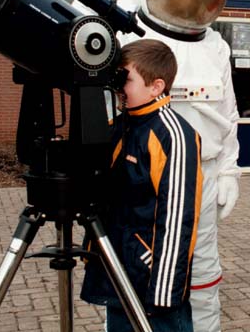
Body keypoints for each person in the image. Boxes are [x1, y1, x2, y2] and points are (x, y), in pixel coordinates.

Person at [78, 0, 240, 332]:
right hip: (142, 175)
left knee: (200, 272)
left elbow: (228, 114)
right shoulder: (130, 37)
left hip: (198, 175)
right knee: (130, 265)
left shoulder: (216, 46)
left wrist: (230, 170)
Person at [80, 39, 202, 332]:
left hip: (151, 280)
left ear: (156, 86)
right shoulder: (124, 124)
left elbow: (178, 218)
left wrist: (163, 289)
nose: (119, 87)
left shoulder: (172, 135)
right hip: (119, 270)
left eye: (126, 79)